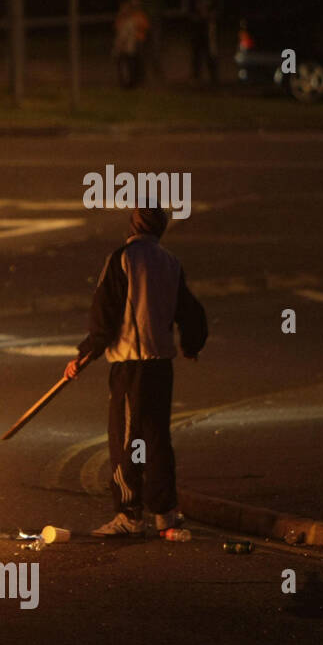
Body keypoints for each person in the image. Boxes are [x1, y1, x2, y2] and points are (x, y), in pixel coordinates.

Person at [64, 206, 207, 538]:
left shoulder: (122, 259)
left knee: (127, 440)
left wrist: (85, 356)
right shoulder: (170, 262)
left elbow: (105, 315)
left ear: (133, 226)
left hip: (131, 367)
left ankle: (129, 513)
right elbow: (190, 310)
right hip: (161, 367)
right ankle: (165, 514)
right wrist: (191, 345)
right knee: (157, 439)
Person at [126, 0, 165, 83]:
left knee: (155, 46)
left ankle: (158, 74)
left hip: (153, 17)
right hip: (139, 18)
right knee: (139, 48)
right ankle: (141, 76)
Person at [189, 0, 220, 85]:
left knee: (211, 51)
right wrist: (195, 16)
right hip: (197, 26)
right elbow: (191, 8)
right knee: (196, 51)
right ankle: (196, 76)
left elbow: (218, 6)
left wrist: (211, 15)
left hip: (209, 25)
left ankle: (214, 78)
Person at [113, 0, 149, 90]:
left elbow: (144, 26)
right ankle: (125, 82)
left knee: (133, 62)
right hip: (125, 44)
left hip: (135, 42)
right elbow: (118, 29)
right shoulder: (123, 17)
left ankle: (133, 82)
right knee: (122, 62)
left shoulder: (136, 16)